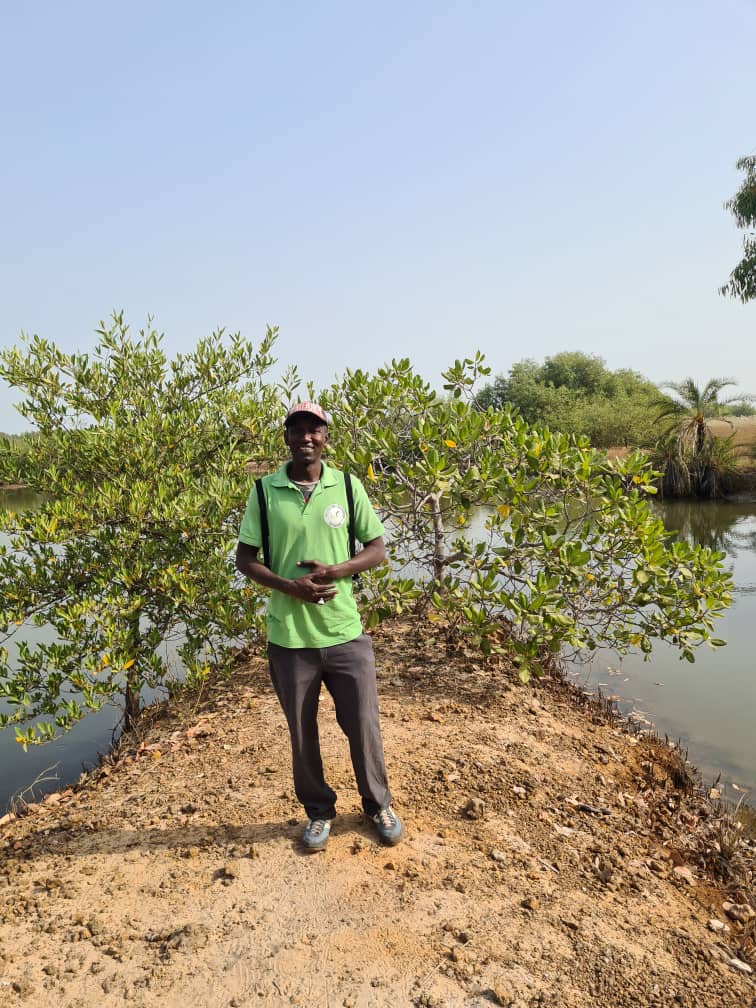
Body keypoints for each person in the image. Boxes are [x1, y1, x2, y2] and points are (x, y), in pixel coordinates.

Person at [235, 401, 403, 852]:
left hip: (345, 633)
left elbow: (377, 548)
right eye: (298, 430)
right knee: (302, 731)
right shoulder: (264, 491)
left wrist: (337, 570)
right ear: (287, 437)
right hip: (290, 640)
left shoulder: (347, 487)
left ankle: (378, 804)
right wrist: (291, 586)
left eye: (315, 430)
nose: (306, 437)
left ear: (326, 437)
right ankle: (318, 811)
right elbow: (245, 560)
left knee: (363, 724)